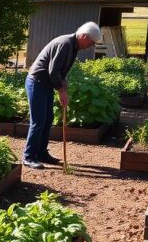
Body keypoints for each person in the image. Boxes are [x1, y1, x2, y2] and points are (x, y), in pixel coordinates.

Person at [23, 22, 102, 169]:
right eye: (91, 42)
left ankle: (41, 153)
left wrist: (64, 88)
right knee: (38, 121)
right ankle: (29, 156)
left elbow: (61, 73)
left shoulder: (73, 47)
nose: (91, 46)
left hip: (45, 84)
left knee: (47, 120)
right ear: (84, 36)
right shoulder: (65, 44)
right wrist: (61, 91)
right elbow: (53, 71)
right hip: (36, 82)